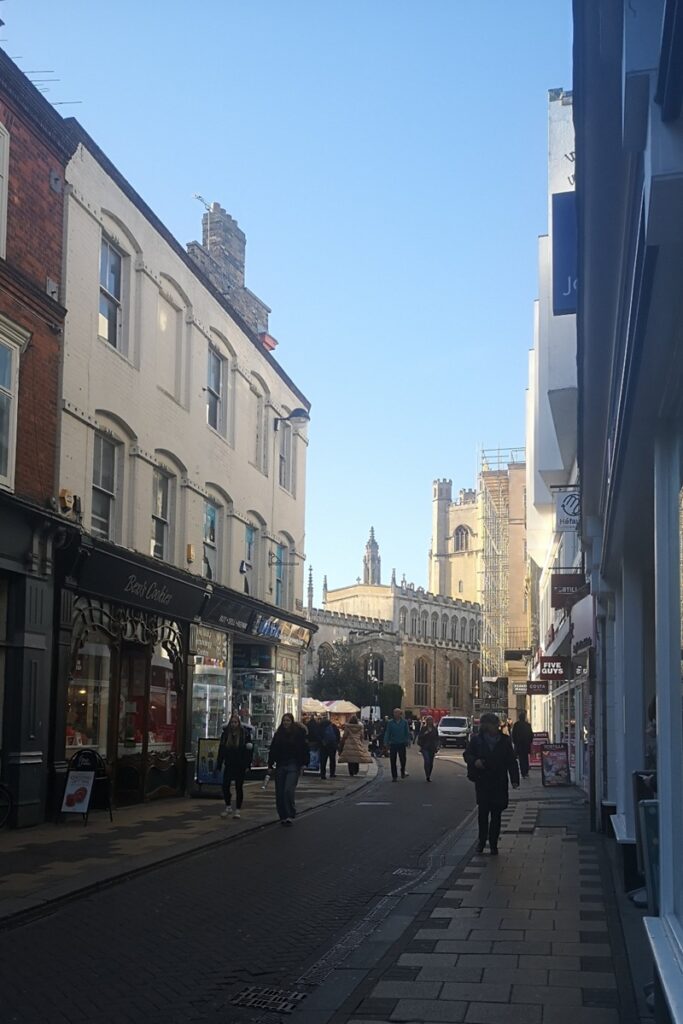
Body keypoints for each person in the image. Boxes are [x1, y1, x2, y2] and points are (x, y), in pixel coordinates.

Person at [464, 711, 519, 854]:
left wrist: (514, 779)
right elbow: (467, 754)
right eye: (493, 724)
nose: (495, 727)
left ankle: (493, 843)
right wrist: (475, 761)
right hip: (483, 781)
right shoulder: (476, 740)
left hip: (499, 781)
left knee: (496, 814)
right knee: (483, 813)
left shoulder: (505, 741)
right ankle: (481, 841)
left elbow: (511, 761)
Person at [267, 713, 309, 826]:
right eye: (284, 720)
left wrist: (304, 763)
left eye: (288, 720)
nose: (286, 723)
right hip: (280, 765)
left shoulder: (298, 734)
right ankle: (283, 816)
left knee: (288, 790)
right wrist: (270, 765)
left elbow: (304, 748)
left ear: (292, 722)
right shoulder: (278, 734)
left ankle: (290, 813)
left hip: (293, 764)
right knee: (279, 793)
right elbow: (273, 749)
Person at [216, 711, 254, 819]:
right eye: (232, 722)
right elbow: (221, 750)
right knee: (225, 786)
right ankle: (228, 806)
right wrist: (219, 764)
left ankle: (237, 809)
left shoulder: (244, 735)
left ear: (239, 723)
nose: (233, 724)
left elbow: (249, 751)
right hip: (229, 764)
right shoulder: (225, 735)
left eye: (235, 722)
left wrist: (247, 765)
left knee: (239, 787)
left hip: (240, 765)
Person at [384, 707, 411, 781]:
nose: (395, 714)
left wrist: (408, 740)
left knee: (403, 759)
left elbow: (407, 732)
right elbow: (387, 732)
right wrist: (386, 742)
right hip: (393, 743)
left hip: (402, 743)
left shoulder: (404, 722)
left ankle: (402, 771)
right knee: (393, 760)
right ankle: (394, 776)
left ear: (400, 714)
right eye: (394, 713)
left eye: (397, 713)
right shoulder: (390, 723)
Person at [511, 710, 533, 778]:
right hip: (526, 745)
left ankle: (523, 772)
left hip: (519, 744)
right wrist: (529, 742)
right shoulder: (527, 725)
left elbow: (513, 734)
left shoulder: (516, 725)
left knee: (521, 759)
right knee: (525, 758)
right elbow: (531, 735)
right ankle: (526, 772)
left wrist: (515, 742)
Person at [417, 715, 439, 781]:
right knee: (427, 761)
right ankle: (427, 775)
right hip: (425, 747)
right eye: (428, 720)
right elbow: (420, 737)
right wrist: (425, 733)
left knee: (431, 762)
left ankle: (429, 774)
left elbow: (437, 738)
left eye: (431, 720)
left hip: (432, 747)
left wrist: (438, 745)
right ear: (427, 721)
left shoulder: (435, 729)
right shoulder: (423, 728)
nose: (430, 721)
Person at [319, 715, 340, 779]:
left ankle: (323, 774)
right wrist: (336, 743)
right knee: (332, 760)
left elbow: (318, 735)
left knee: (323, 760)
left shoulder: (320, 727)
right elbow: (338, 735)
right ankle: (332, 773)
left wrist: (321, 742)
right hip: (332, 746)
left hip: (324, 746)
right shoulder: (333, 726)